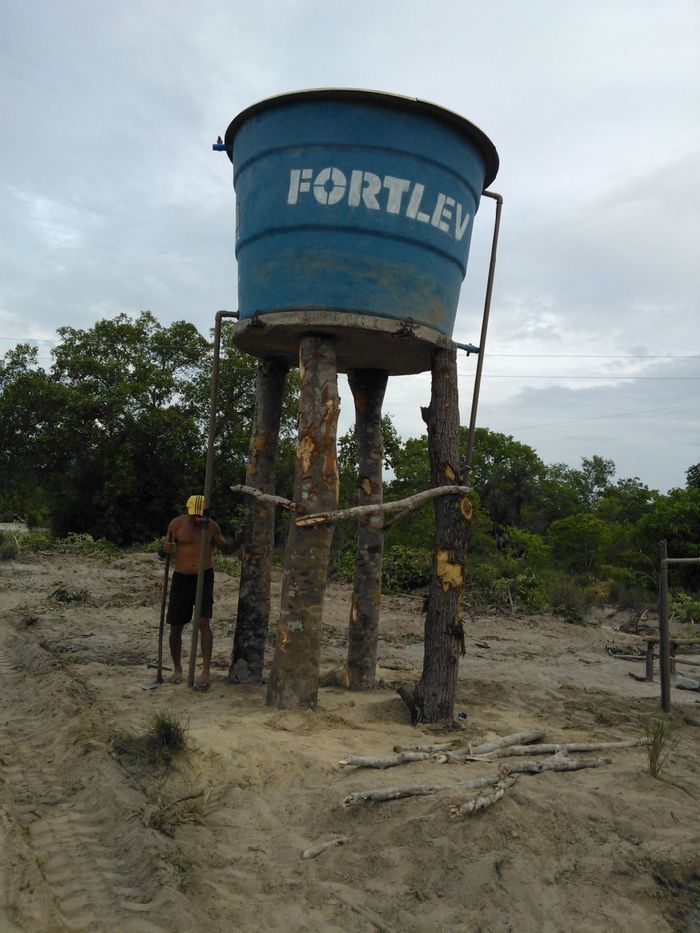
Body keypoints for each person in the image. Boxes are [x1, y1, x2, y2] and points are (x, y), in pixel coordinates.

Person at [160, 494, 227, 689]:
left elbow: (226, 548)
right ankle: (177, 669)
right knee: (175, 625)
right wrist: (164, 549)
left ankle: (205, 671)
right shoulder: (177, 525)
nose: (197, 519)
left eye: (200, 516)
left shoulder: (211, 527)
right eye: (194, 516)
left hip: (204, 577)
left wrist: (239, 537)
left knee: (203, 622)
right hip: (181, 577)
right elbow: (163, 552)